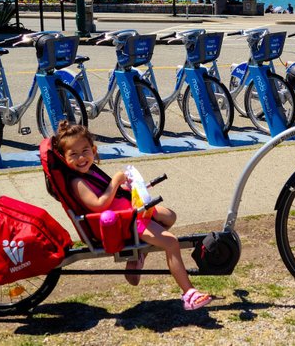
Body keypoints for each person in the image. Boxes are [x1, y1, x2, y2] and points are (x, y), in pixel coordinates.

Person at [53, 121, 213, 310]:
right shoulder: (77, 181)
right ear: (64, 158)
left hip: (130, 212)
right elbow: (98, 205)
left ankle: (138, 255)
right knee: (171, 243)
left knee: (169, 217)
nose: (81, 157)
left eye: (85, 150)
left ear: (94, 150)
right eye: (73, 154)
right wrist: (115, 181)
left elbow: (107, 194)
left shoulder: (90, 171)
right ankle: (189, 294)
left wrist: (126, 187)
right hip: (125, 222)